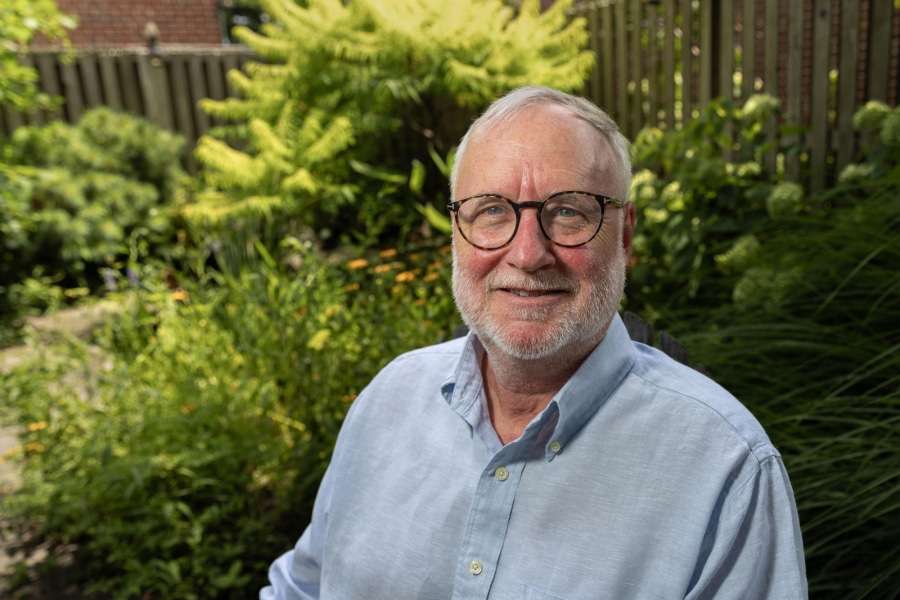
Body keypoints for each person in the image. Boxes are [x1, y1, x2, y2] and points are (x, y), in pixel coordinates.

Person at [261, 86, 807, 599]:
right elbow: (299, 588)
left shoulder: (727, 469)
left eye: (568, 211)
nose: (527, 255)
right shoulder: (387, 402)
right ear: (456, 232)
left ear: (626, 235)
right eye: (492, 211)